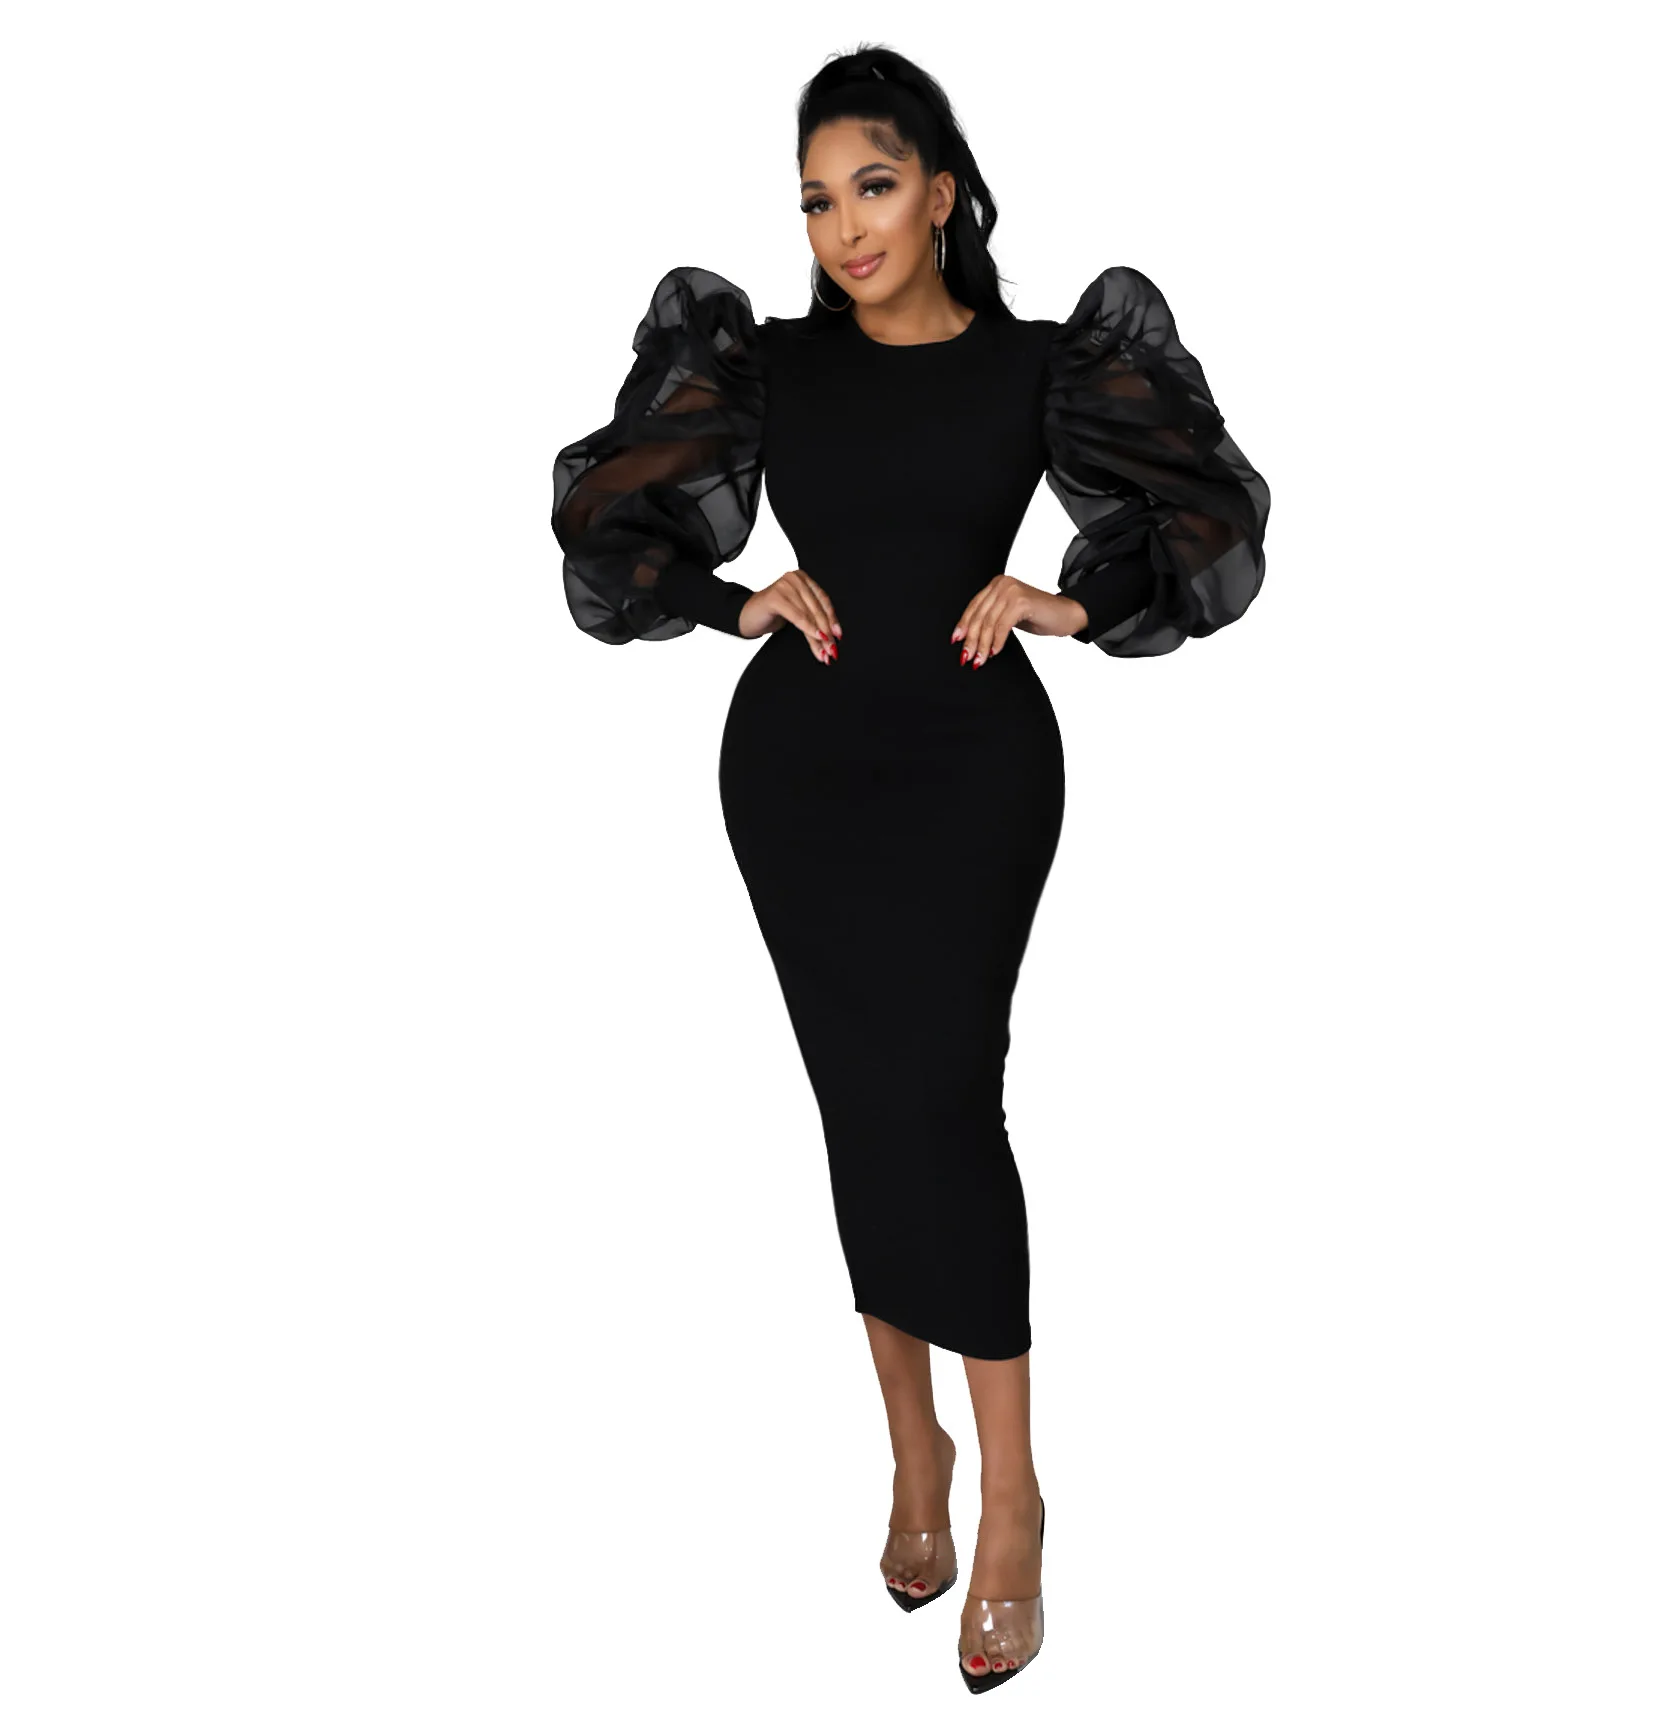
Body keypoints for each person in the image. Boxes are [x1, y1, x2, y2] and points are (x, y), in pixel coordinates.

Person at [549, 45, 1269, 1693]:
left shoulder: (1044, 361)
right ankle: (913, 1450)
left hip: (974, 773)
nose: (842, 227)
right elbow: (603, 519)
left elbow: (1210, 520)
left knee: (947, 1101)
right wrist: (730, 599)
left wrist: (1067, 601)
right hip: (796, 774)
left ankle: (1012, 1493)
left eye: (871, 186)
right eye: (814, 200)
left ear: (941, 190)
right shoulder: (766, 363)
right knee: (860, 1104)